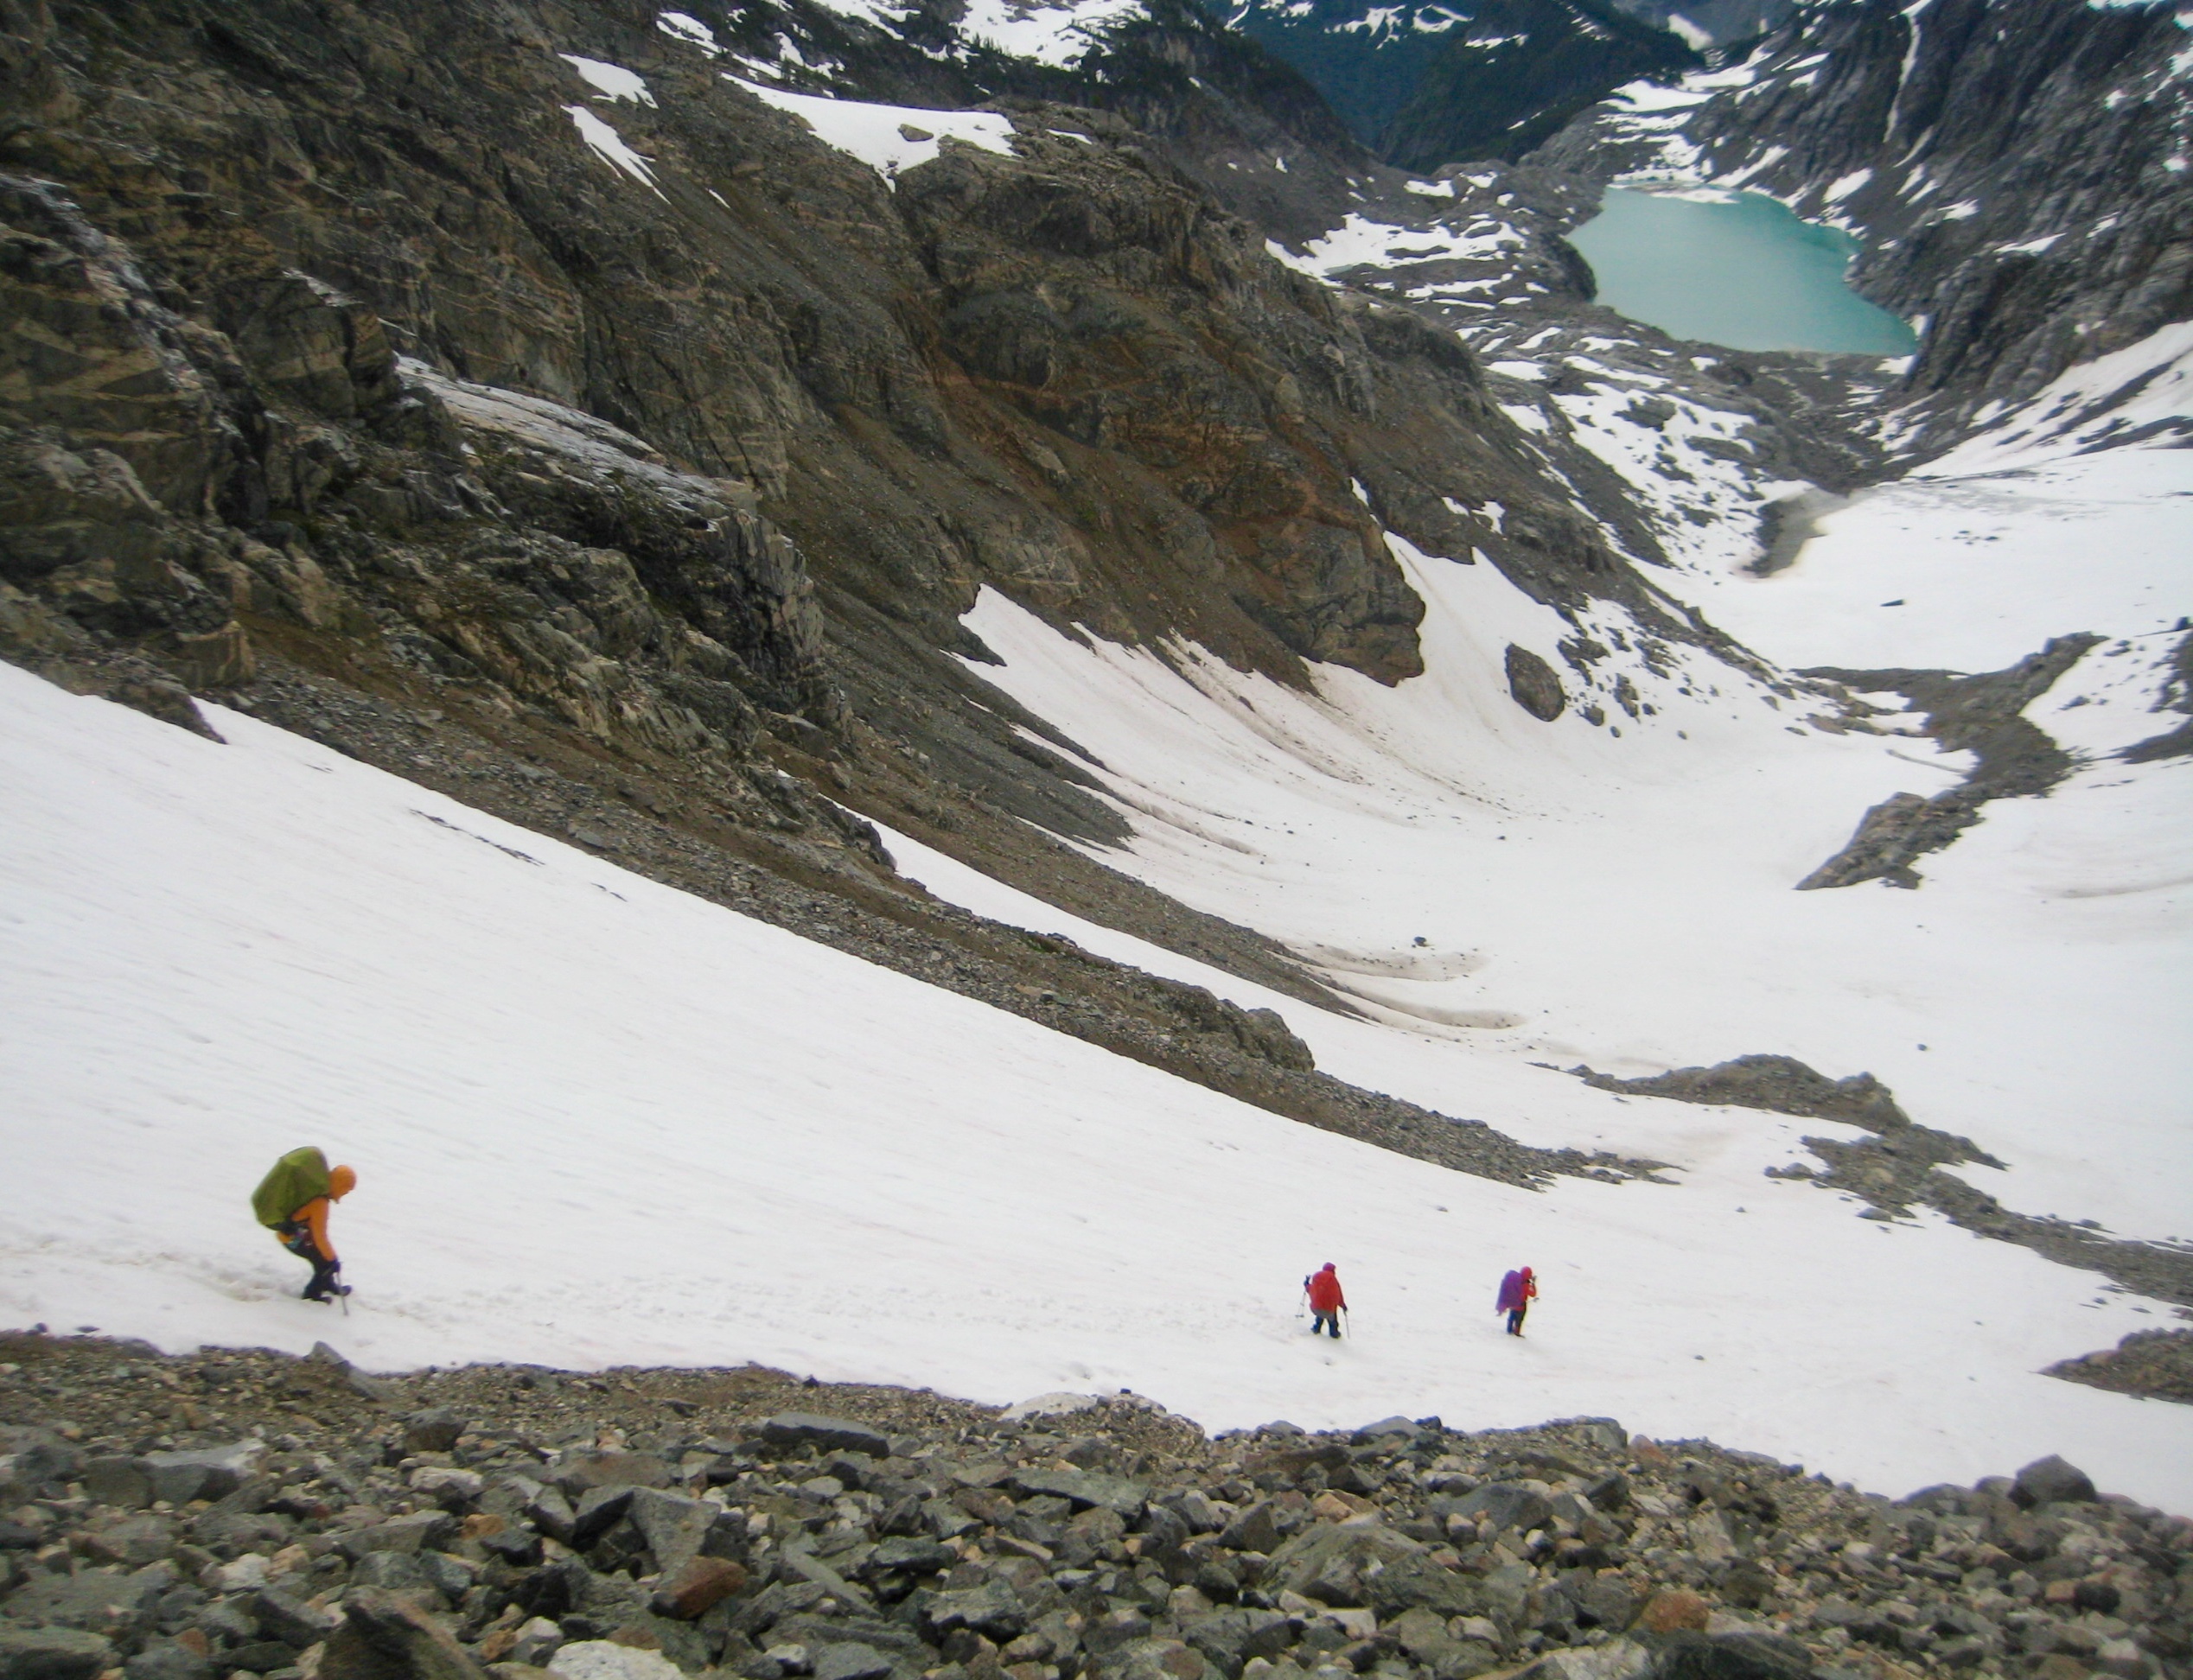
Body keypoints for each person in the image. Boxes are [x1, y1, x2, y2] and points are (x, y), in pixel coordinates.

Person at [251, 1148, 356, 1302]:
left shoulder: (318, 1193)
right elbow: (320, 1236)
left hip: (291, 1234)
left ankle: (327, 1283)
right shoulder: (320, 1203)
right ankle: (312, 1294)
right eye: (345, 1191)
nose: (344, 1195)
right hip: (294, 1238)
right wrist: (333, 1259)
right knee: (325, 1265)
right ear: (340, 1185)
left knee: (321, 1260)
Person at [1304, 1262, 1346, 1339]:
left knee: (1320, 1306)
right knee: (1331, 1314)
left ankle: (1316, 1328)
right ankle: (1334, 1333)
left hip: (1316, 1309)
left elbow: (1312, 1290)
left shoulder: (1317, 1276)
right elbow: (1337, 1295)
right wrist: (1343, 1305)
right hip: (1329, 1311)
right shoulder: (1332, 1279)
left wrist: (1306, 1284)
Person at [1496, 1266, 1537, 1336]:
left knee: (1511, 1317)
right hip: (1521, 1307)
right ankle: (1516, 1332)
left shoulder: (1516, 1281)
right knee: (1519, 1320)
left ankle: (1509, 1329)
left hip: (1514, 1304)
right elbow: (1533, 1294)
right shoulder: (1526, 1286)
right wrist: (1533, 1284)